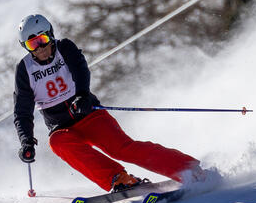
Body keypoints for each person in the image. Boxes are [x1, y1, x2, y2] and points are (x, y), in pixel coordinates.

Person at [13, 14, 206, 193]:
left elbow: (81, 69)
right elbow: (22, 110)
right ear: (26, 47)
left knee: (121, 148)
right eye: (33, 44)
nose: (40, 48)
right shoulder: (25, 70)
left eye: (43, 40)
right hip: (61, 127)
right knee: (57, 142)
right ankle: (118, 178)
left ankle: (187, 168)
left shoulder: (65, 48)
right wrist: (26, 141)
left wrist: (82, 95)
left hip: (88, 114)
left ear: (50, 35)